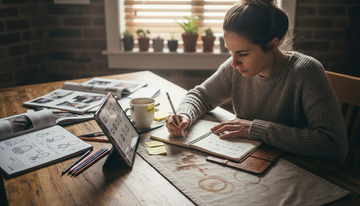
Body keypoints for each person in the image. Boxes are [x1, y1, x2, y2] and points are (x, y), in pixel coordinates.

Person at [165, 0, 348, 162]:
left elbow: (334, 145)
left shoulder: (306, 72)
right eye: (230, 51)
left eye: (243, 53)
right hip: (250, 161)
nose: (234, 62)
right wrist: (185, 115)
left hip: (301, 170)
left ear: (272, 44)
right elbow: (201, 95)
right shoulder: (235, 67)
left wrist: (257, 129)